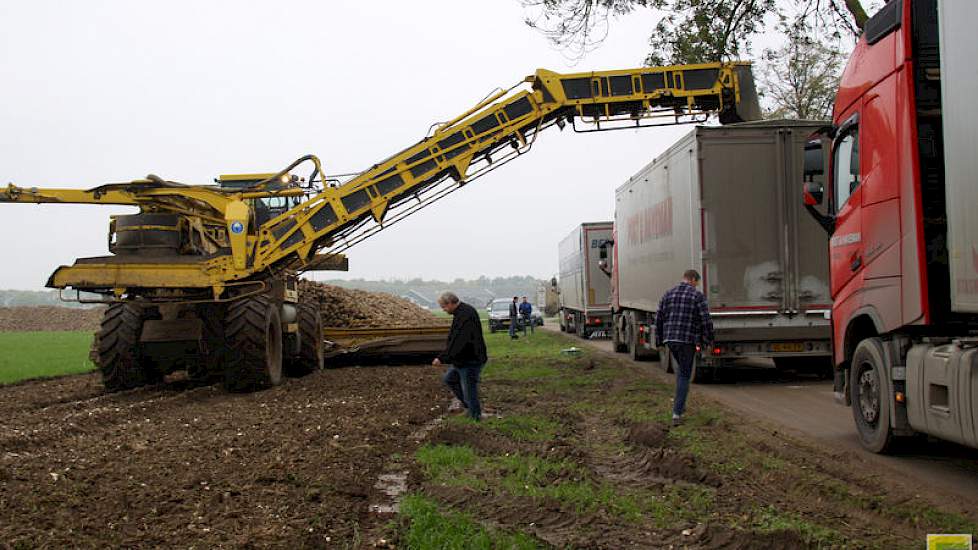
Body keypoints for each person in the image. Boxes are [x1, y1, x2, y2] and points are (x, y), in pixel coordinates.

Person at [654, 269, 714, 427]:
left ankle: (680, 405)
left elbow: (659, 318)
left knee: (682, 371)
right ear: (693, 279)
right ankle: (677, 413)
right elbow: (705, 320)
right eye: (697, 282)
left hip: (671, 340)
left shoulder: (668, 294)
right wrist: (708, 339)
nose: (697, 285)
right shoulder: (697, 296)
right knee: (684, 375)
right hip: (687, 341)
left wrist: (659, 340)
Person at [433, 291, 487, 421]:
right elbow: (454, 340)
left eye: (444, 307)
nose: (444, 310)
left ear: (451, 303)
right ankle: (471, 408)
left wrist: (442, 358)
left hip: (470, 360)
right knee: (449, 379)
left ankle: (475, 417)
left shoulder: (466, 314)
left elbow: (460, 342)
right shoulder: (460, 313)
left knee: (469, 390)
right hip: (461, 360)